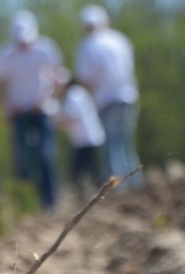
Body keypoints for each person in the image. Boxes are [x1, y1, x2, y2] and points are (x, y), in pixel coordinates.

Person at [0, 10, 64, 210]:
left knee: (46, 155)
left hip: (43, 110)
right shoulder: (5, 55)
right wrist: (7, 105)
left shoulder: (46, 49)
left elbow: (58, 79)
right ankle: (25, 204)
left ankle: (50, 203)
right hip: (18, 113)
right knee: (22, 158)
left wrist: (47, 98)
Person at [75, 4, 143, 188]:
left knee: (112, 146)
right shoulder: (120, 39)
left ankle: (119, 188)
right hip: (129, 97)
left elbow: (85, 79)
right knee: (126, 144)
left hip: (107, 100)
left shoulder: (88, 45)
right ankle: (136, 185)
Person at [56, 73, 107, 202]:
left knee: (79, 172)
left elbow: (71, 118)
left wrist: (56, 123)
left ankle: (92, 198)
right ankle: (97, 197)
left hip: (85, 140)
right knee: (91, 171)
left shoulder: (73, 95)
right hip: (88, 139)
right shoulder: (79, 93)